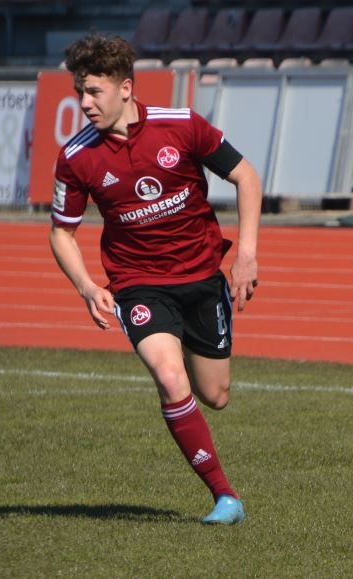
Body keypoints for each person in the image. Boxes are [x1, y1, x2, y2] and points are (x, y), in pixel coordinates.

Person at [48, 33, 262, 524]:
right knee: (169, 376)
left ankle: (182, 342)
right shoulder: (76, 157)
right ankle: (225, 497)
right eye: (80, 92)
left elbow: (246, 177)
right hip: (137, 283)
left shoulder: (182, 125)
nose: (85, 103)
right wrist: (87, 286)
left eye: (94, 91)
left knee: (216, 395)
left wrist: (247, 255)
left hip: (202, 276)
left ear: (126, 87)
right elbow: (61, 232)